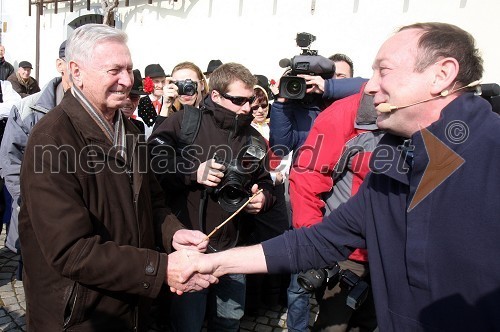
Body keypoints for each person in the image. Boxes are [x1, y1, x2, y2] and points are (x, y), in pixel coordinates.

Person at [183, 22, 500, 332]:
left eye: (384, 70)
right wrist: (212, 263)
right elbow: (316, 242)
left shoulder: (492, 155)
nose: (371, 86)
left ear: (441, 75)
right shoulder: (393, 162)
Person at [18, 24, 216, 331]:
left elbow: (154, 203)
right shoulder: (51, 139)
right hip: (80, 316)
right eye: (114, 70)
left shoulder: (131, 132)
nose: (127, 81)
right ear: (77, 72)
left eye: (130, 70)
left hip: (131, 305)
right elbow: (71, 251)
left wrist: (173, 235)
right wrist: (161, 268)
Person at [148, 62, 275, 332]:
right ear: (216, 95)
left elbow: (266, 182)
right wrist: (193, 171)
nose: (247, 107)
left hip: (233, 250)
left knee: (229, 323)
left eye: (250, 100)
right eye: (239, 100)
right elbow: (152, 162)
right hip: (191, 249)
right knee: (187, 325)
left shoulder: (253, 139)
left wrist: (263, 198)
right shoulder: (186, 121)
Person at [289, 83, 381, 331]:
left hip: (392, 255)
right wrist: (318, 244)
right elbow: (307, 175)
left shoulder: (432, 115)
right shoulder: (346, 113)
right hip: (347, 255)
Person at [280, 53, 361, 332]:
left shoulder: (364, 110)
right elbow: (281, 144)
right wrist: (283, 101)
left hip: (347, 231)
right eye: (332, 77)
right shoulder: (309, 109)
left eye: (342, 78)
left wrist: (331, 88)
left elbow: (370, 84)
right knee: (299, 286)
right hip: (310, 217)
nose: (333, 82)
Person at [0, 41, 69, 282]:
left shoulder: (103, 108)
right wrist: (27, 200)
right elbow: (11, 161)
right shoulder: (26, 109)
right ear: (61, 65)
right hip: (35, 216)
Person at [137, 63, 167, 136]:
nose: (160, 86)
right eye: (156, 81)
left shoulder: (171, 103)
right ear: (148, 82)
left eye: (163, 81)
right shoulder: (139, 103)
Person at [122, 69, 147, 134]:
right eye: (123, 95)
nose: (128, 101)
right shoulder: (103, 125)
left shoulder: (139, 126)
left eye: (134, 97)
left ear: (139, 100)